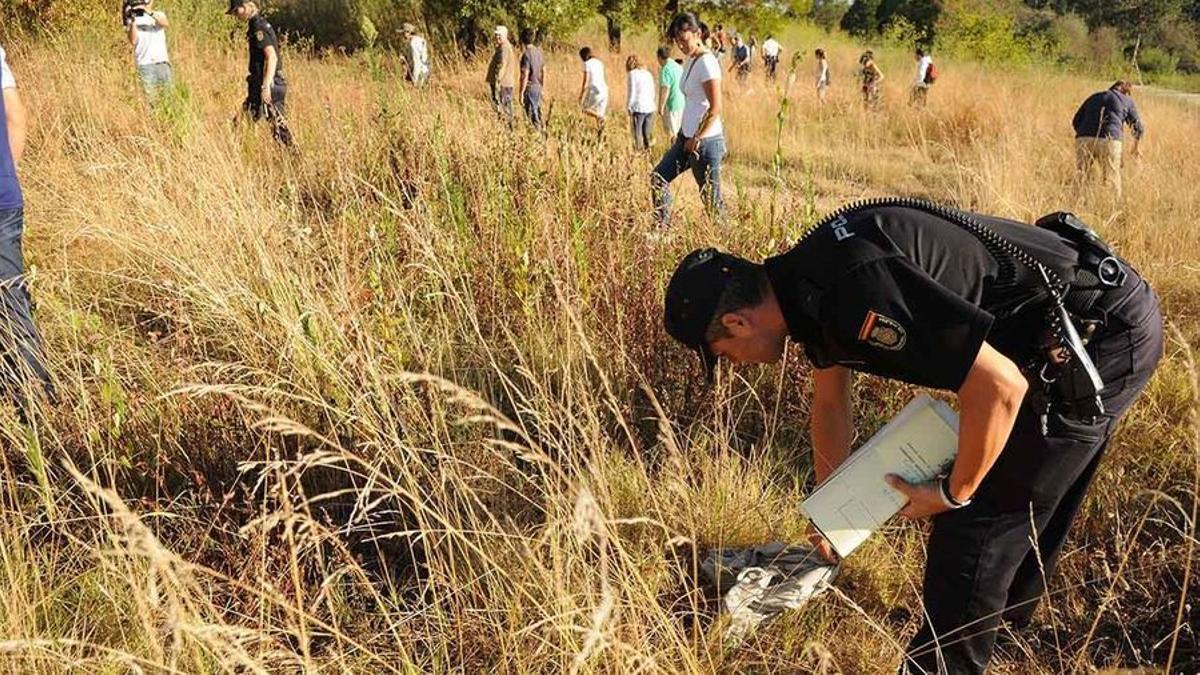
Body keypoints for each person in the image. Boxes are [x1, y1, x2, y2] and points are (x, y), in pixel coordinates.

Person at [663, 200, 1163, 674]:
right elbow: (831, 405)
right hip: (1044, 338)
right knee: (1001, 503)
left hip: (1098, 332)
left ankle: (951, 658)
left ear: (737, 321)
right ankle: (998, 632)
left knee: (976, 523)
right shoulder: (803, 286)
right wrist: (834, 519)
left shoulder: (854, 289)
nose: (733, 365)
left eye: (723, 354)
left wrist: (951, 492)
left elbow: (1001, 387)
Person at [0, 45, 56, 413]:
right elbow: (17, 118)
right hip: (4, 198)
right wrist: (7, 177)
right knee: (12, 297)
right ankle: (36, 399)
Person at [651, 13, 725, 228]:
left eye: (685, 40)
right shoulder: (692, 59)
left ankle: (727, 251)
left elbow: (716, 107)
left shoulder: (708, 63)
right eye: (677, 41)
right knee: (658, 178)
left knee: (713, 204)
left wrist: (698, 137)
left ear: (697, 34)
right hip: (686, 137)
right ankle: (661, 230)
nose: (681, 45)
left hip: (704, 143)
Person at [227, 0, 292, 146]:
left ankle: (294, 160)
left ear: (248, 5)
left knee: (279, 129)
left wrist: (266, 86)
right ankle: (244, 153)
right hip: (260, 85)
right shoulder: (255, 24)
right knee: (241, 122)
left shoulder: (258, 26)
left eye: (237, 11)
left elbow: (272, 56)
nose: (236, 15)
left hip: (269, 85)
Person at [1072, 80, 1145, 200]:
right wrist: (1136, 148)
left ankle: (1078, 204)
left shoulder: (1094, 97)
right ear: (1125, 90)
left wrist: (1085, 135)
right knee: (1111, 177)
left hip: (1083, 138)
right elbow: (1138, 128)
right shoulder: (1126, 99)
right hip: (1110, 140)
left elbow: (1075, 121)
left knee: (1082, 174)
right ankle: (1112, 206)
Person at [123, 0, 172, 99]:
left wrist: (148, 12)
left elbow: (165, 23)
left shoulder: (158, 14)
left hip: (162, 63)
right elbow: (133, 40)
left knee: (168, 98)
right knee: (150, 100)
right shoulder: (134, 19)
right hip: (145, 65)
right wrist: (133, 21)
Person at [486, 26, 516, 124]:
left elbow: (503, 64)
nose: (497, 37)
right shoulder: (502, 47)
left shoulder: (504, 47)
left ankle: (508, 127)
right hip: (504, 83)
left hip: (503, 83)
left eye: (499, 35)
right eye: (496, 35)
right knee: (502, 106)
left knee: (504, 107)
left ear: (505, 35)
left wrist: (498, 80)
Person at [626, 55, 656, 150]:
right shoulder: (648, 73)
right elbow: (653, 91)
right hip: (650, 107)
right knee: (646, 133)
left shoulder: (632, 74)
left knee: (637, 133)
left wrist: (629, 106)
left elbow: (632, 92)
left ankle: (638, 152)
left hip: (639, 107)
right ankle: (648, 152)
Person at [518, 28, 546, 131]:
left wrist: (521, 92)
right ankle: (543, 132)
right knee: (538, 112)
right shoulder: (539, 52)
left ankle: (536, 135)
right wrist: (542, 86)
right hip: (538, 86)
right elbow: (544, 71)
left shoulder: (526, 55)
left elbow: (525, 74)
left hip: (530, 88)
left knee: (531, 114)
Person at [578, 47, 608, 137]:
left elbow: (586, 80)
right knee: (600, 113)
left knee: (584, 108)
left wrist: (581, 94)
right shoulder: (599, 62)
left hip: (594, 89)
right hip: (604, 89)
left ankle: (600, 117)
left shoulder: (587, 64)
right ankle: (601, 136)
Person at [657, 47, 684, 138]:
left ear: (659, 57)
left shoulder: (666, 69)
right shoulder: (677, 66)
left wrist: (661, 106)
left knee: (672, 133)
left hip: (672, 104)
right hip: (682, 102)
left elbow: (665, 89)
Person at [400, 23, 431, 87]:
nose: (402, 36)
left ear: (408, 32)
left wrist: (415, 80)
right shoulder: (418, 40)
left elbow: (417, 62)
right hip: (425, 71)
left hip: (420, 74)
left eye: (403, 33)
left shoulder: (413, 44)